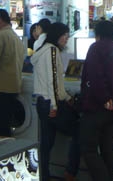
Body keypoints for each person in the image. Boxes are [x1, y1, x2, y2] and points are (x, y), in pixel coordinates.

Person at [31, 22, 79, 181]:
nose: (66, 39)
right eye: (64, 36)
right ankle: (70, 171)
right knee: (78, 130)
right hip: (51, 103)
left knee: (46, 143)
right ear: (57, 35)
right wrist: (55, 105)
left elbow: (53, 81)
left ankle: (43, 175)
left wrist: (66, 98)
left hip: (41, 102)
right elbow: (52, 79)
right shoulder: (52, 50)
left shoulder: (41, 50)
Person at [79, 20, 113, 181]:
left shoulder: (95, 48)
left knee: (89, 149)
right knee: (108, 149)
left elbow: (94, 76)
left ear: (98, 33)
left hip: (96, 106)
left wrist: (105, 98)